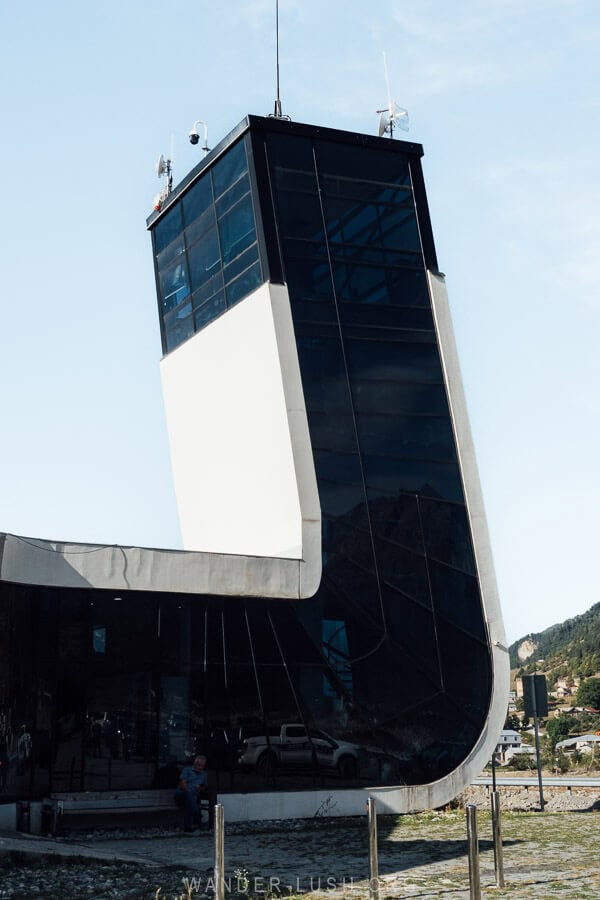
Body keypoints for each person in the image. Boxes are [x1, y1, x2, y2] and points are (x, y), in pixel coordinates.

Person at [175, 755, 211, 832]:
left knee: (189, 802)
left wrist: (200, 788)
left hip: (191, 798)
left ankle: (188, 827)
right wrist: (190, 791)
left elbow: (204, 787)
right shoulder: (187, 770)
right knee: (189, 794)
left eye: (202, 766)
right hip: (181, 794)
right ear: (194, 764)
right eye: (199, 765)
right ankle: (197, 814)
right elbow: (183, 784)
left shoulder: (204, 774)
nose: (200, 767)